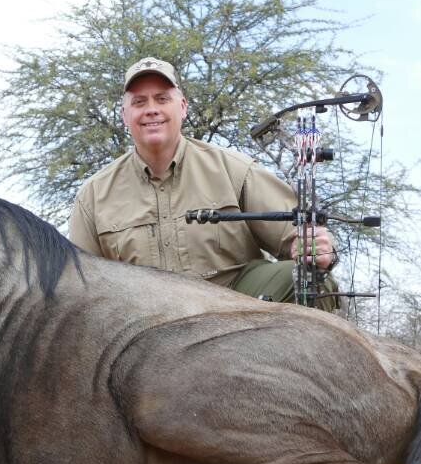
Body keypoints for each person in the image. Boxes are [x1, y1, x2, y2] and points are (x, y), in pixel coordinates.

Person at [67, 57, 340, 311]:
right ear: (125, 115)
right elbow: (80, 289)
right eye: (139, 102)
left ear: (182, 106)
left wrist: (316, 248)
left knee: (310, 278)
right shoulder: (93, 195)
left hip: (232, 313)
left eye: (162, 99)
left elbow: (296, 237)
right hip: (142, 327)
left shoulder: (233, 169)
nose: (151, 110)